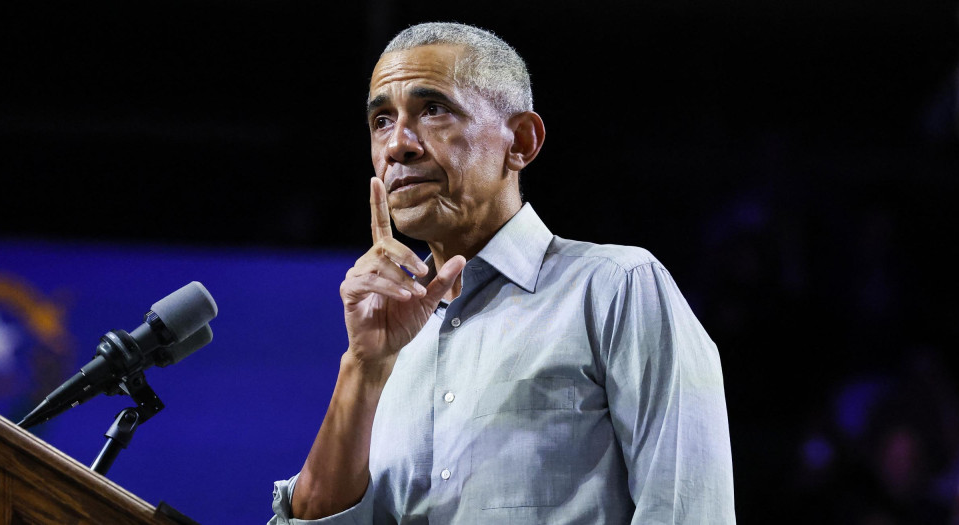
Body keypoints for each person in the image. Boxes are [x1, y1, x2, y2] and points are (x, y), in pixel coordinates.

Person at [269, 22, 735, 524]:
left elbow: (689, 509)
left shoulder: (614, 287)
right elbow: (310, 516)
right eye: (382, 120)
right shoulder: (386, 340)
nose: (398, 145)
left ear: (521, 141)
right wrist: (363, 367)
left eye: (433, 110)